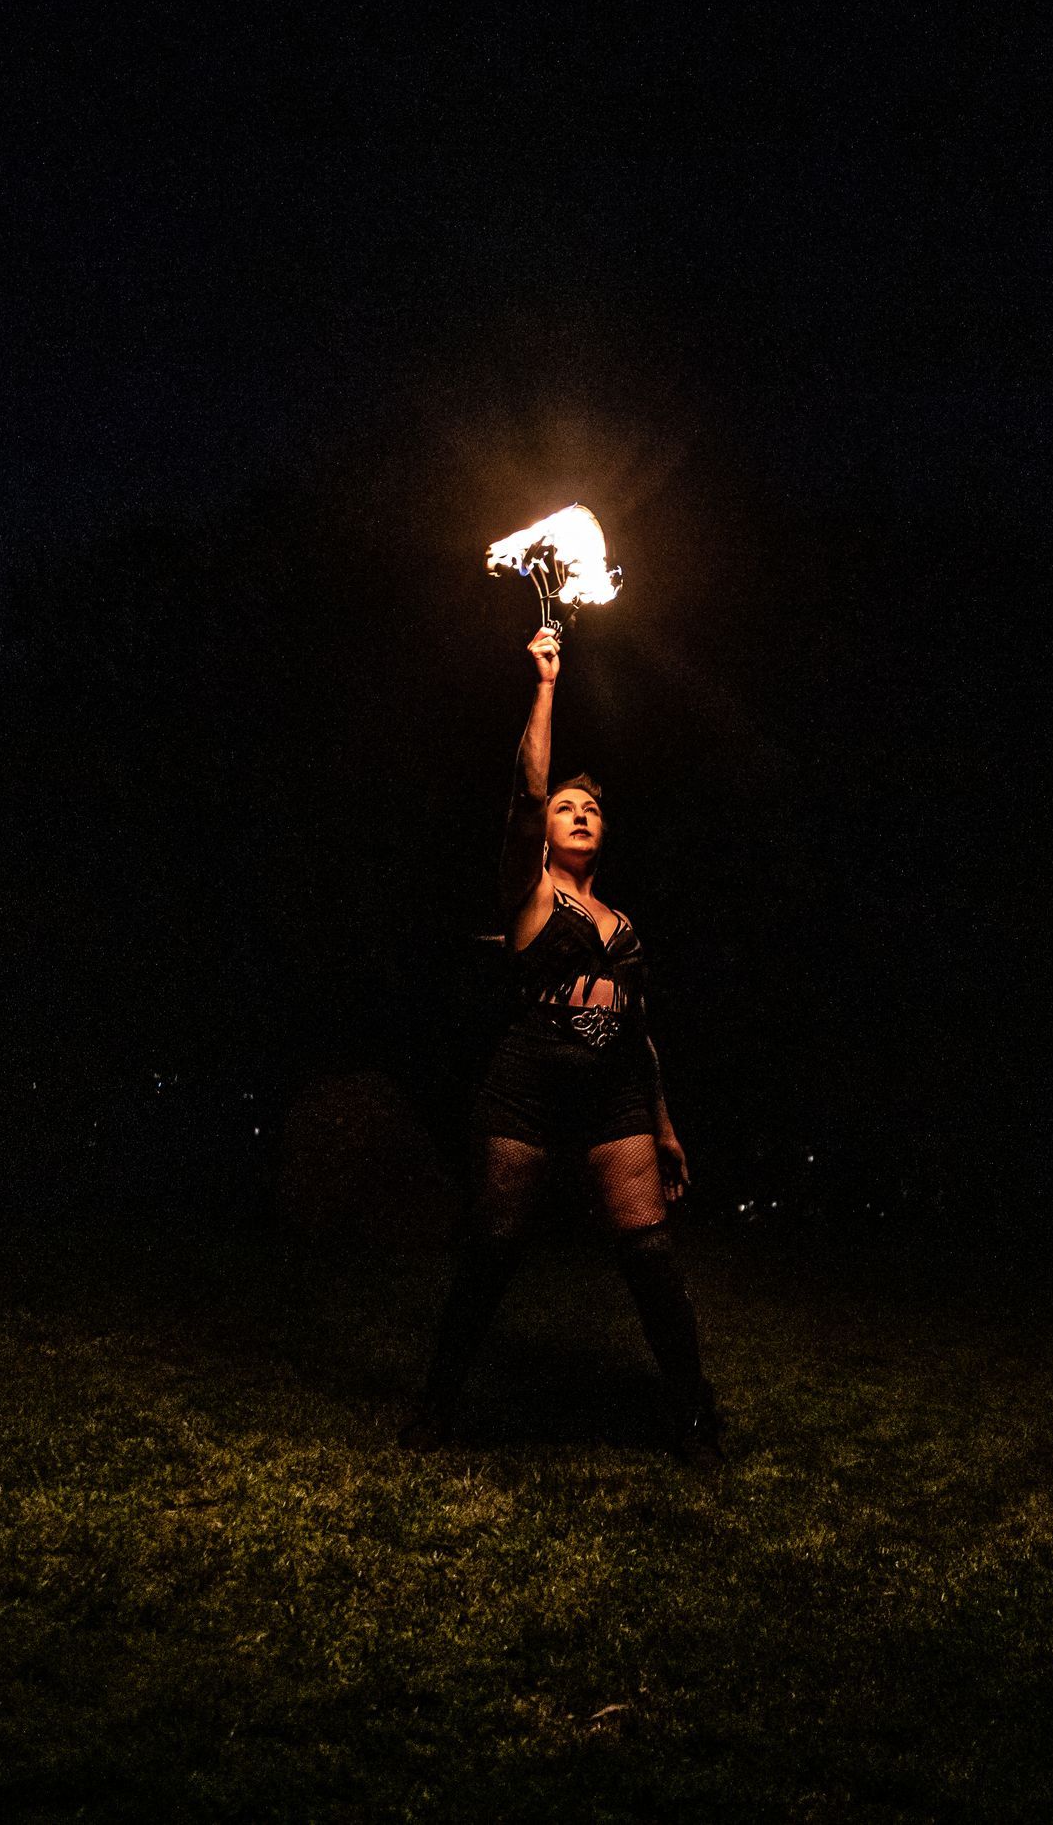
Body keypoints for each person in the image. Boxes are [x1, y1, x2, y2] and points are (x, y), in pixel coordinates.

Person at [400, 620, 724, 1469]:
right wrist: (545, 684)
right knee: (494, 1249)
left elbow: (640, 1029)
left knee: (651, 1253)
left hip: (615, 1092)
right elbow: (522, 791)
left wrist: (665, 1125)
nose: (578, 813)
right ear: (543, 832)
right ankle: (438, 1403)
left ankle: (694, 1417)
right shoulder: (530, 894)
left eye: (592, 809)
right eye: (565, 808)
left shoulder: (624, 925)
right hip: (528, 1085)